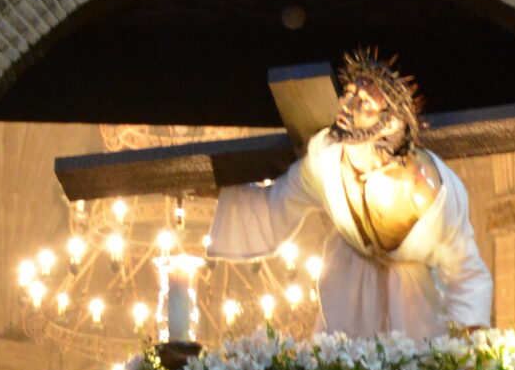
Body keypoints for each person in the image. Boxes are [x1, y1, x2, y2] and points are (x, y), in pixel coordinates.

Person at [205, 48, 493, 338]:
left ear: (390, 124)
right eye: (349, 93)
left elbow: (465, 267)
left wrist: (466, 344)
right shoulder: (326, 162)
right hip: (346, 305)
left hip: (414, 314)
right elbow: (279, 202)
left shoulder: (425, 188)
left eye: (364, 102)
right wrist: (220, 192)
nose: (347, 104)